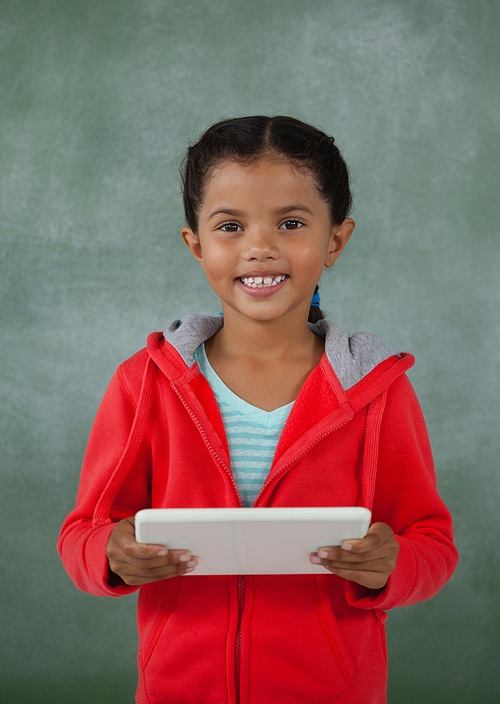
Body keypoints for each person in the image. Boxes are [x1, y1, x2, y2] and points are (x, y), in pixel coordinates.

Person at [58, 115, 458, 704]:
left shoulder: (378, 388)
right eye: (230, 225)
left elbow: (432, 543)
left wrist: (392, 564)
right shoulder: (144, 383)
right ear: (196, 245)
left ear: (335, 241)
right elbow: (82, 535)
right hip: (177, 689)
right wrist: (110, 555)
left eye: (291, 223)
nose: (260, 247)